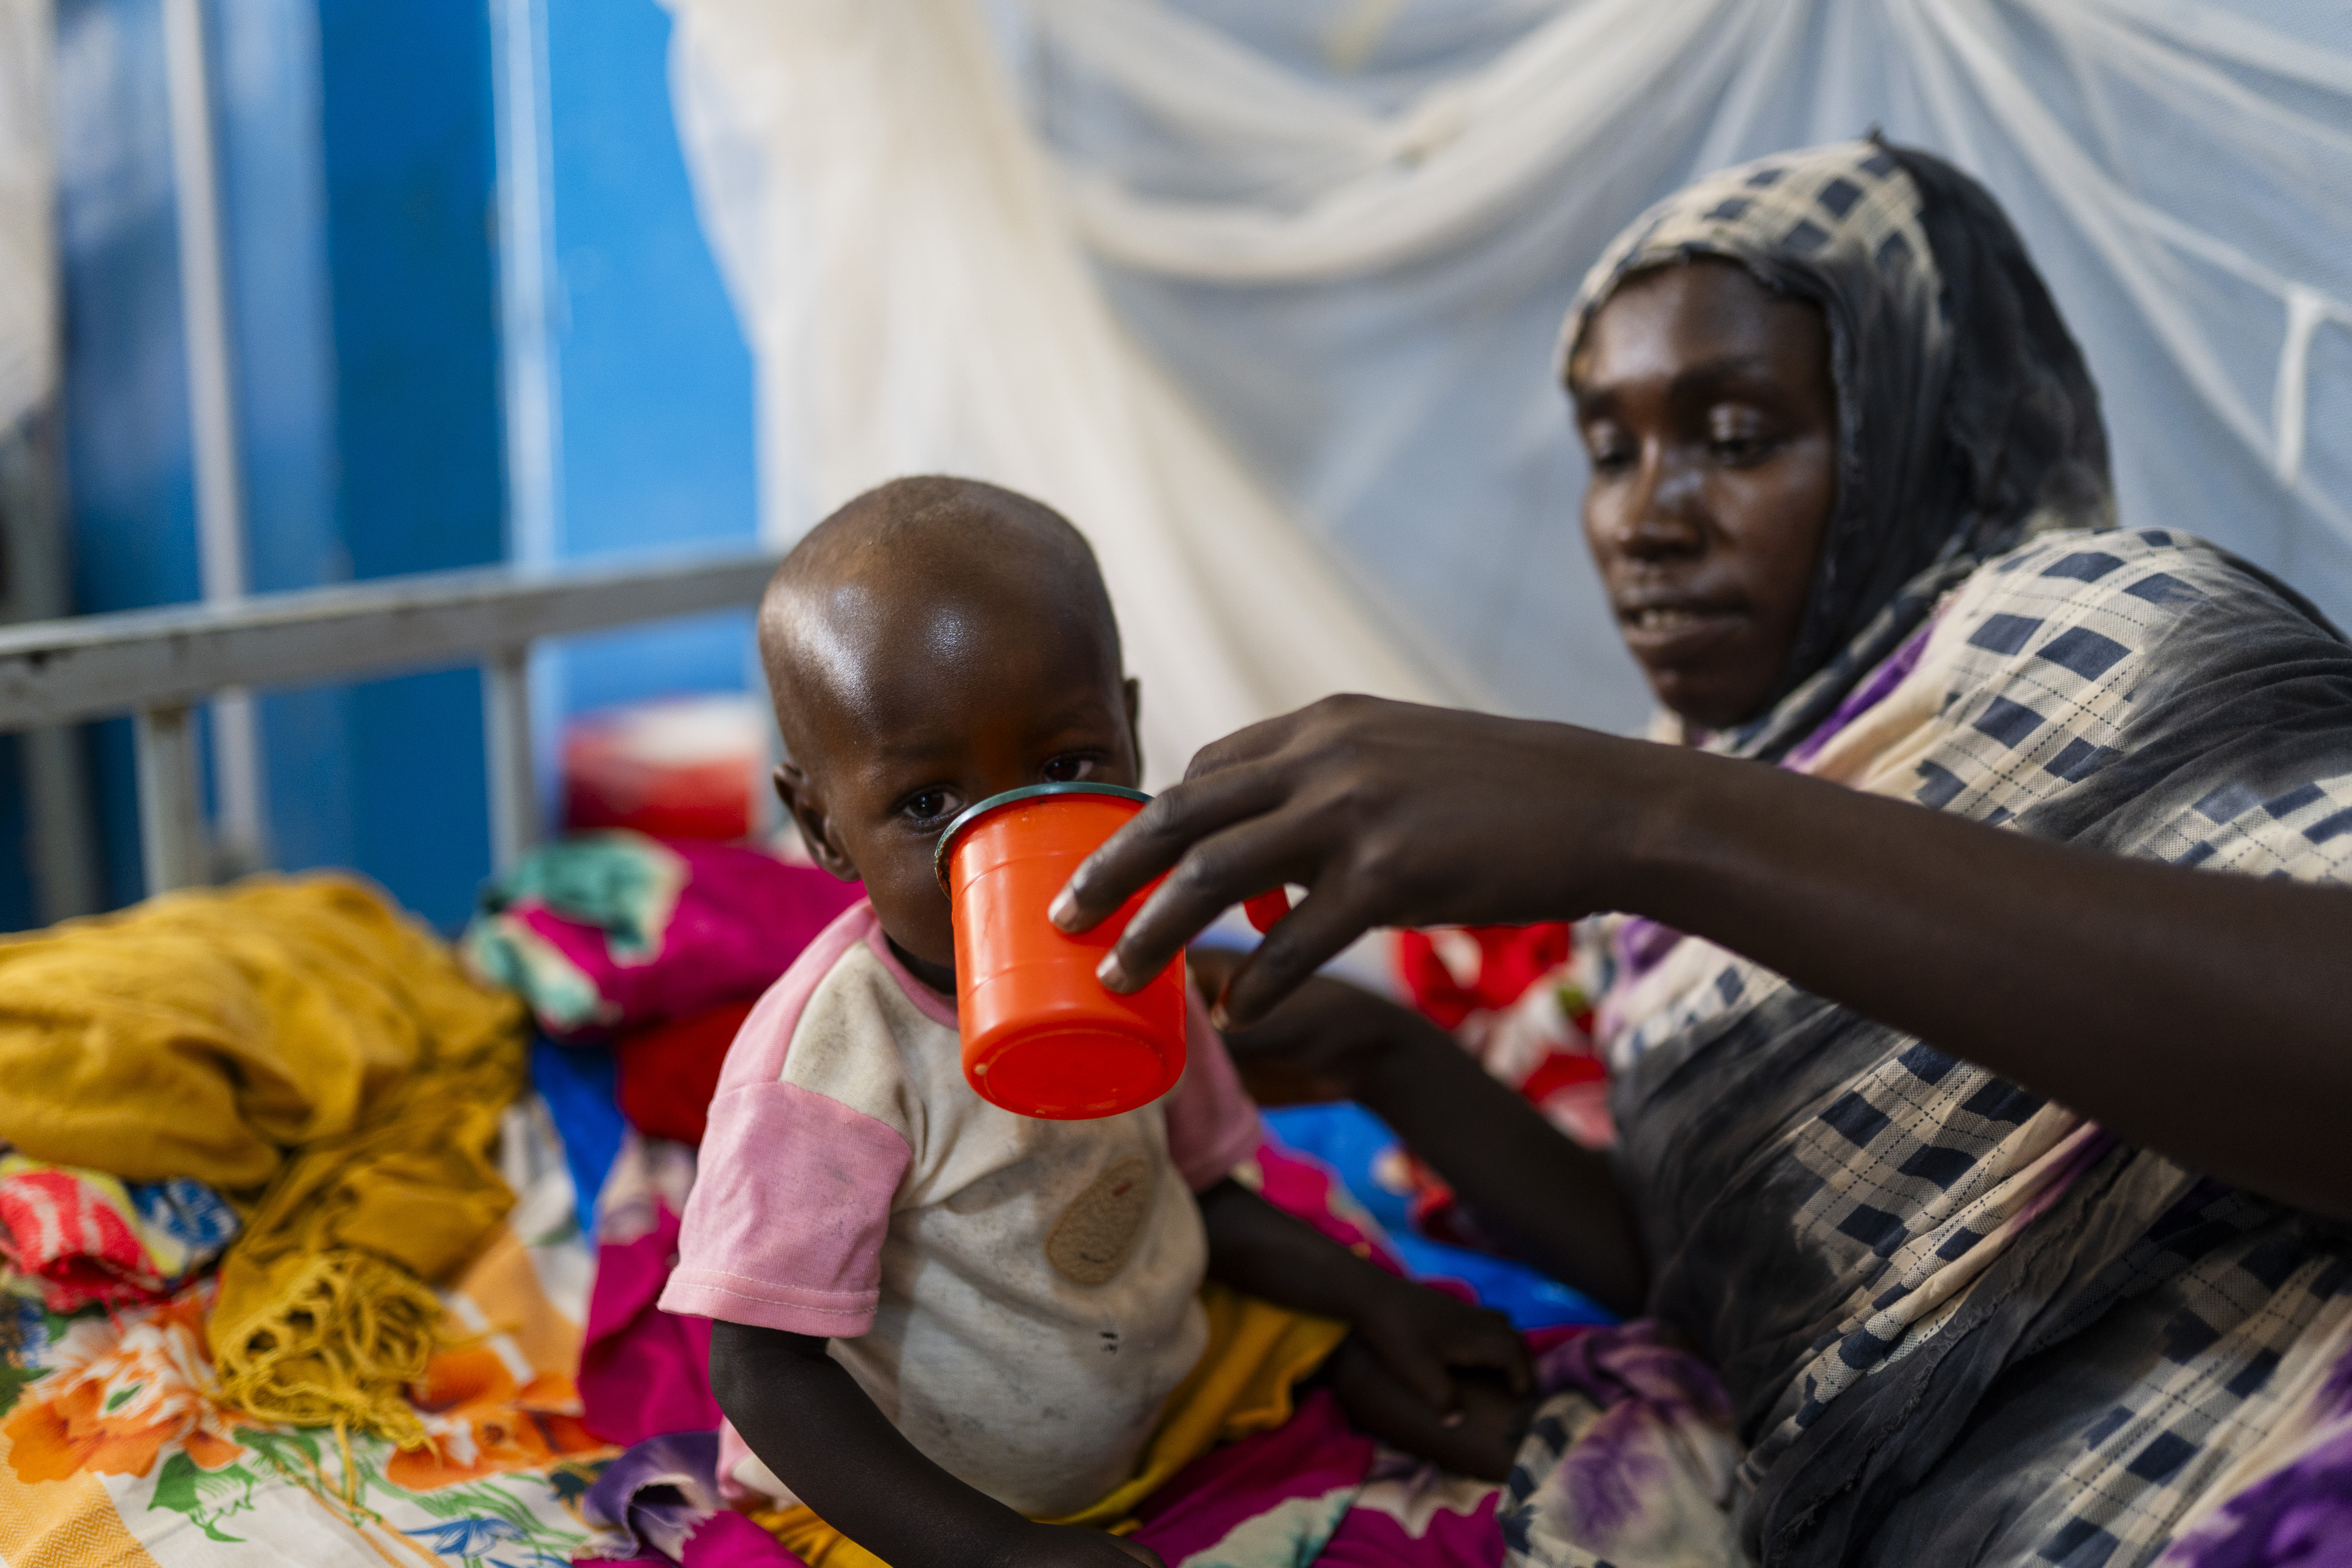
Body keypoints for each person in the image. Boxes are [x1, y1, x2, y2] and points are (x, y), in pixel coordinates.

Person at [1055, 141, 2352, 1566]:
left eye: (1735, 436)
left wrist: (1638, 823)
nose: (1646, 521)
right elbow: (1738, 1287)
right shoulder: (1674, 840)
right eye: (1611, 449)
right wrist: (1383, 1058)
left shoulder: (2099, 635)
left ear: (1917, 424)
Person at [663, 476, 1534, 1568]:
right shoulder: (834, 1063)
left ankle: (1401, 1379)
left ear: (1127, 727)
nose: (1012, 831)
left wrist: (1382, 1299)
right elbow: (760, 1369)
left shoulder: (1141, 950)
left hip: (1151, 1365)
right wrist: (997, 1551)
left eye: (1067, 764)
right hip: (930, 1483)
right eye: (927, 800)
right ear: (822, 826)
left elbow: (1209, 1196)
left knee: (1319, 1322)